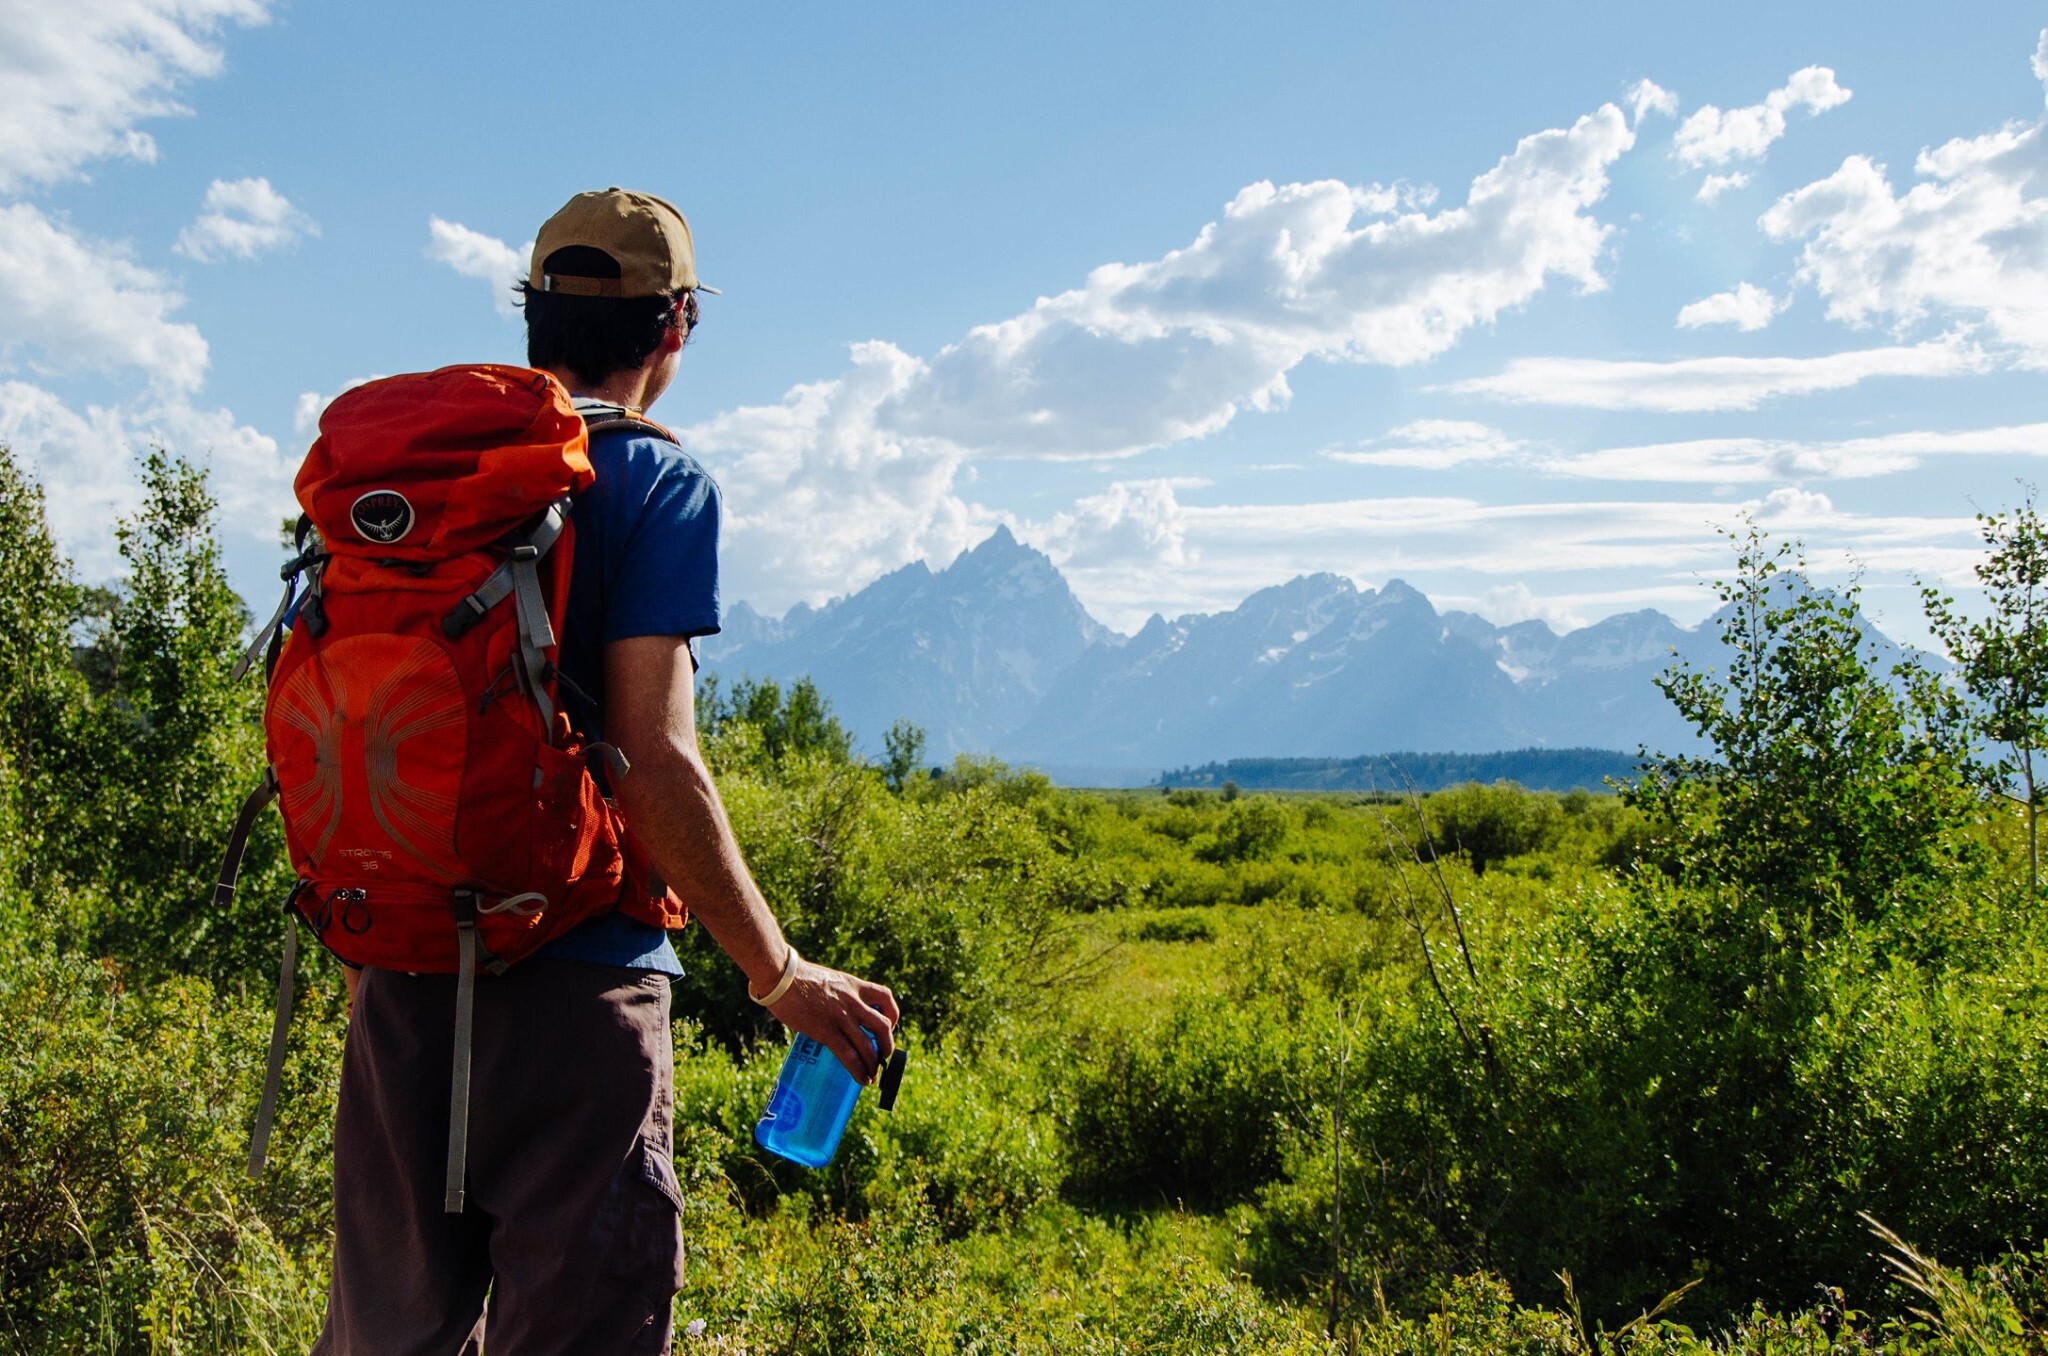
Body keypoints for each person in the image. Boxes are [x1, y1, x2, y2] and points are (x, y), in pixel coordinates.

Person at [313, 187, 900, 1355]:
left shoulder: (417, 480)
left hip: (400, 977)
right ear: (675, 325)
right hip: (580, 988)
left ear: (531, 316)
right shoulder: (649, 482)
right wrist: (780, 977)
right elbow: (655, 758)